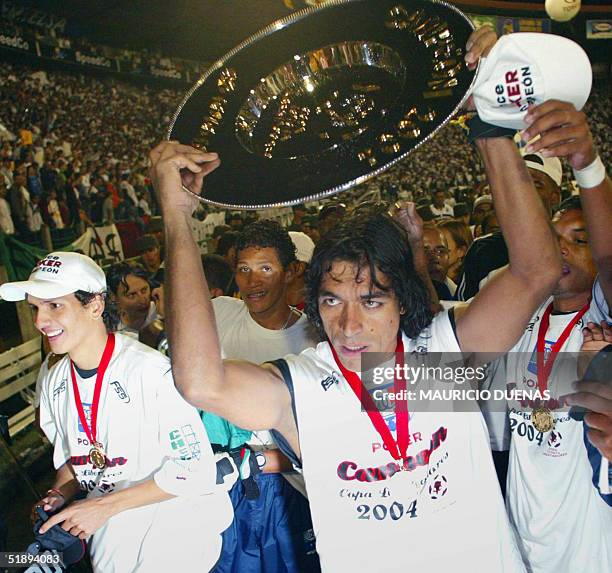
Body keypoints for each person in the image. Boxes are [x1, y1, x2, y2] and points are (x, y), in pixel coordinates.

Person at [149, 28, 564, 570]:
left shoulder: (438, 360)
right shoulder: (304, 386)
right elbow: (201, 382)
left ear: (402, 301)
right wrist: (177, 218)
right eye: (330, 300)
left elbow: (538, 271)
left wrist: (488, 124)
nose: (347, 324)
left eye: (370, 301)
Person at [0, 252, 232, 573]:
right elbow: (74, 461)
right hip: (111, 543)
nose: (40, 321)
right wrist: (57, 495)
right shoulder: (54, 381)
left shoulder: (150, 372)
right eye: (35, 308)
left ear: (95, 306)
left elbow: (196, 469)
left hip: (175, 539)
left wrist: (102, 507)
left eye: (55, 306)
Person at [488, 100, 612, 573]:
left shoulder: (602, 325)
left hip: (590, 547)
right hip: (524, 540)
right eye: (554, 236)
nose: (561, 247)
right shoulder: (521, 317)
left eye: (580, 239)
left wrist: (586, 164)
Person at [203, 220, 321, 573]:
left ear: (291, 272)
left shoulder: (314, 338)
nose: (252, 282)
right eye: (243, 270)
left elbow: (323, 439)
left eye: (265, 269)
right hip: (220, 486)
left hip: (290, 492)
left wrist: (260, 462)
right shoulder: (219, 312)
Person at [106, 262, 159, 337]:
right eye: (131, 295)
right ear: (113, 297)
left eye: (144, 290)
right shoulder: (111, 330)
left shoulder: (161, 313)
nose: (142, 300)